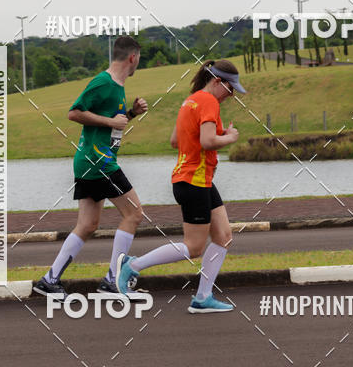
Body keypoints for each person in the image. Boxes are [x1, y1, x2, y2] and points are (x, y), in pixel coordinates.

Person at [115, 59, 246, 313]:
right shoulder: (209, 101)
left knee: (224, 237)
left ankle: (203, 298)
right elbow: (207, 142)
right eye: (230, 89)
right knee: (194, 247)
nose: (231, 95)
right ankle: (132, 266)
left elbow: (175, 140)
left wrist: (213, 137)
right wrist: (229, 137)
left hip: (196, 180)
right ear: (217, 81)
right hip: (194, 182)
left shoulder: (190, 101)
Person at [34, 36, 148, 300]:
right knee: (134, 214)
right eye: (139, 59)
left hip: (90, 160)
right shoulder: (103, 82)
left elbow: (113, 123)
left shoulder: (117, 86)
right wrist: (110, 122)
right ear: (132, 57)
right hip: (99, 162)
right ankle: (113, 280)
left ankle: (50, 280)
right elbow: (74, 112)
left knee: (87, 225)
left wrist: (131, 114)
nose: (138, 64)